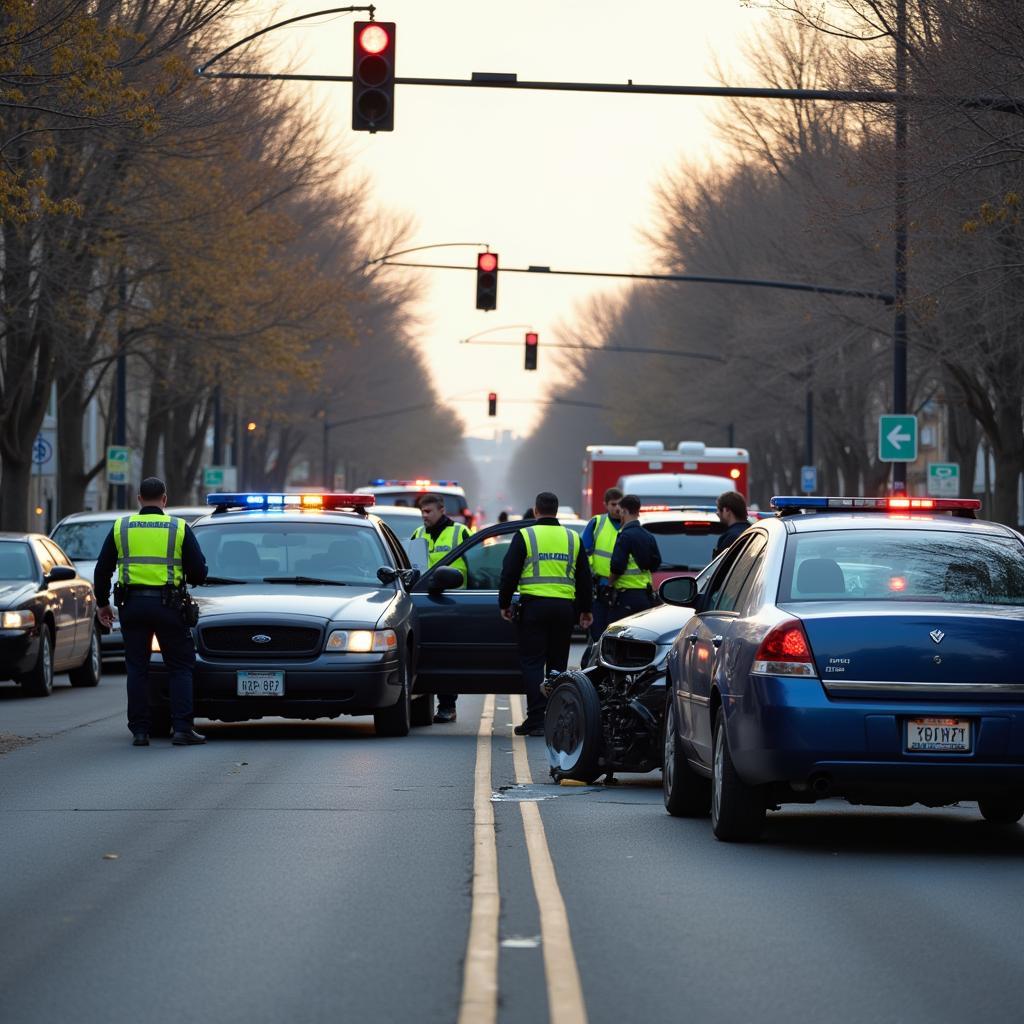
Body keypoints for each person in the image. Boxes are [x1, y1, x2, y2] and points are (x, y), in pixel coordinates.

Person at [93, 477, 208, 746]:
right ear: (164, 499)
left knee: (137, 668)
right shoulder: (177, 528)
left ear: (139, 498)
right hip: (169, 606)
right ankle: (181, 729)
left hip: (132, 606)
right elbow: (198, 572)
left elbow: (102, 569)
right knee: (180, 667)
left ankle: (141, 731)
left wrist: (102, 604)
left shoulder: (122, 527)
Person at [499, 492, 593, 736]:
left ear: (536, 510)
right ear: (557, 510)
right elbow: (584, 577)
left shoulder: (526, 536)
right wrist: (585, 610)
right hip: (564, 610)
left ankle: (536, 719)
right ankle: (555, 718)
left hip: (534, 607)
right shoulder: (572, 538)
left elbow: (509, 572)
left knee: (532, 663)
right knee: (557, 665)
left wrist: (504, 602)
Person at [411, 493, 471, 723]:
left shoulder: (460, 532)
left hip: (454, 604)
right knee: (425, 656)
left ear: (441, 510)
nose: (424, 516)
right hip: (425, 604)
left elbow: (473, 567)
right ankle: (420, 705)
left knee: (448, 657)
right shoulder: (418, 534)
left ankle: (447, 705)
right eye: (422, 512)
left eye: (428, 512)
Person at [607, 494, 662, 621]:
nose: (619, 515)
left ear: (625, 511)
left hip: (626, 597)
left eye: (620, 511)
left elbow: (617, 567)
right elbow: (656, 563)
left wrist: (609, 585)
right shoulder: (648, 536)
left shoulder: (625, 536)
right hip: (645, 596)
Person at [581, 486, 623, 641]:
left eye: (620, 504)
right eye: (613, 504)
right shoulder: (597, 523)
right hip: (601, 587)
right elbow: (584, 553)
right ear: (605, 505)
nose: (617, 508)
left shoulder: (630, 524)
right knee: (598, 635)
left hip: (624, 588)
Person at [713, 490, 751, 557]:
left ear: (727, 510)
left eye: (718, 509)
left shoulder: (730, 538)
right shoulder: (753, 531)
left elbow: (722, 566)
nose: (717, 513)